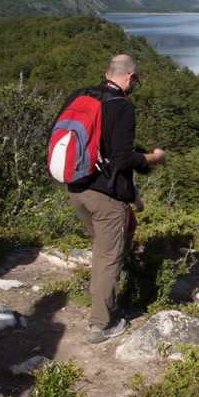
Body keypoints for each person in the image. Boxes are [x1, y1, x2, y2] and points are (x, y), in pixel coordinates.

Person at [59, 54, 166, 344]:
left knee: (102, 250)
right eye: (137, 81)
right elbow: (121, 159)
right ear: (130, 77)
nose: (135, 86)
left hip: (75, 188)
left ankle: (104, 304)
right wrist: (153, 157)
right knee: (109, 257)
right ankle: (100, 325)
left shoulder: (80, 95)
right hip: (104, 195)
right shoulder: (121, 105)